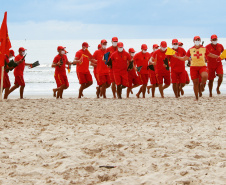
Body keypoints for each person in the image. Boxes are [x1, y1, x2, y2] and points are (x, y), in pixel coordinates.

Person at [173, 36, 220, 100]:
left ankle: (201, 85)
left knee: (205, 76)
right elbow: (184, 58)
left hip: (202, 66)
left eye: (198, 39)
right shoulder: (190, 49)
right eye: (196, 40)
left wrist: (219, 57)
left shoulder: (204, 48)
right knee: (195, 83)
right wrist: (176, 57)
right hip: (193, 67)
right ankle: (196, 97)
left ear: (200, 41)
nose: (197, 41)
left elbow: (210, 55)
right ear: (194, 41)